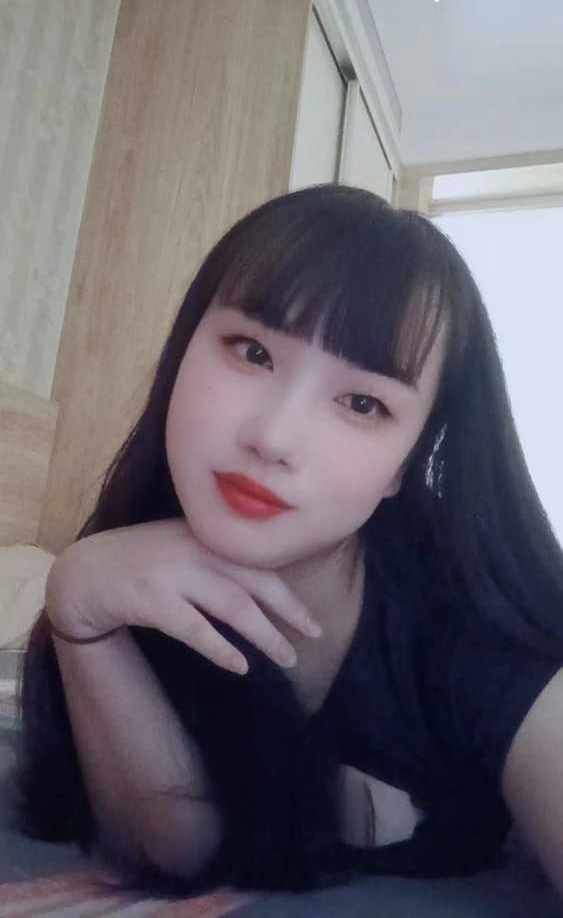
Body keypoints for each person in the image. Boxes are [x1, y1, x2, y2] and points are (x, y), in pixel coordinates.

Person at [12, 184, 563, 903]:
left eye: (362, 402)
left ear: (404, 465)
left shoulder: (472, 629)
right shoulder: (126, 579)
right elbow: (177, 844)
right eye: (252, 352)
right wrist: (81, 611)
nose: (272, 438)